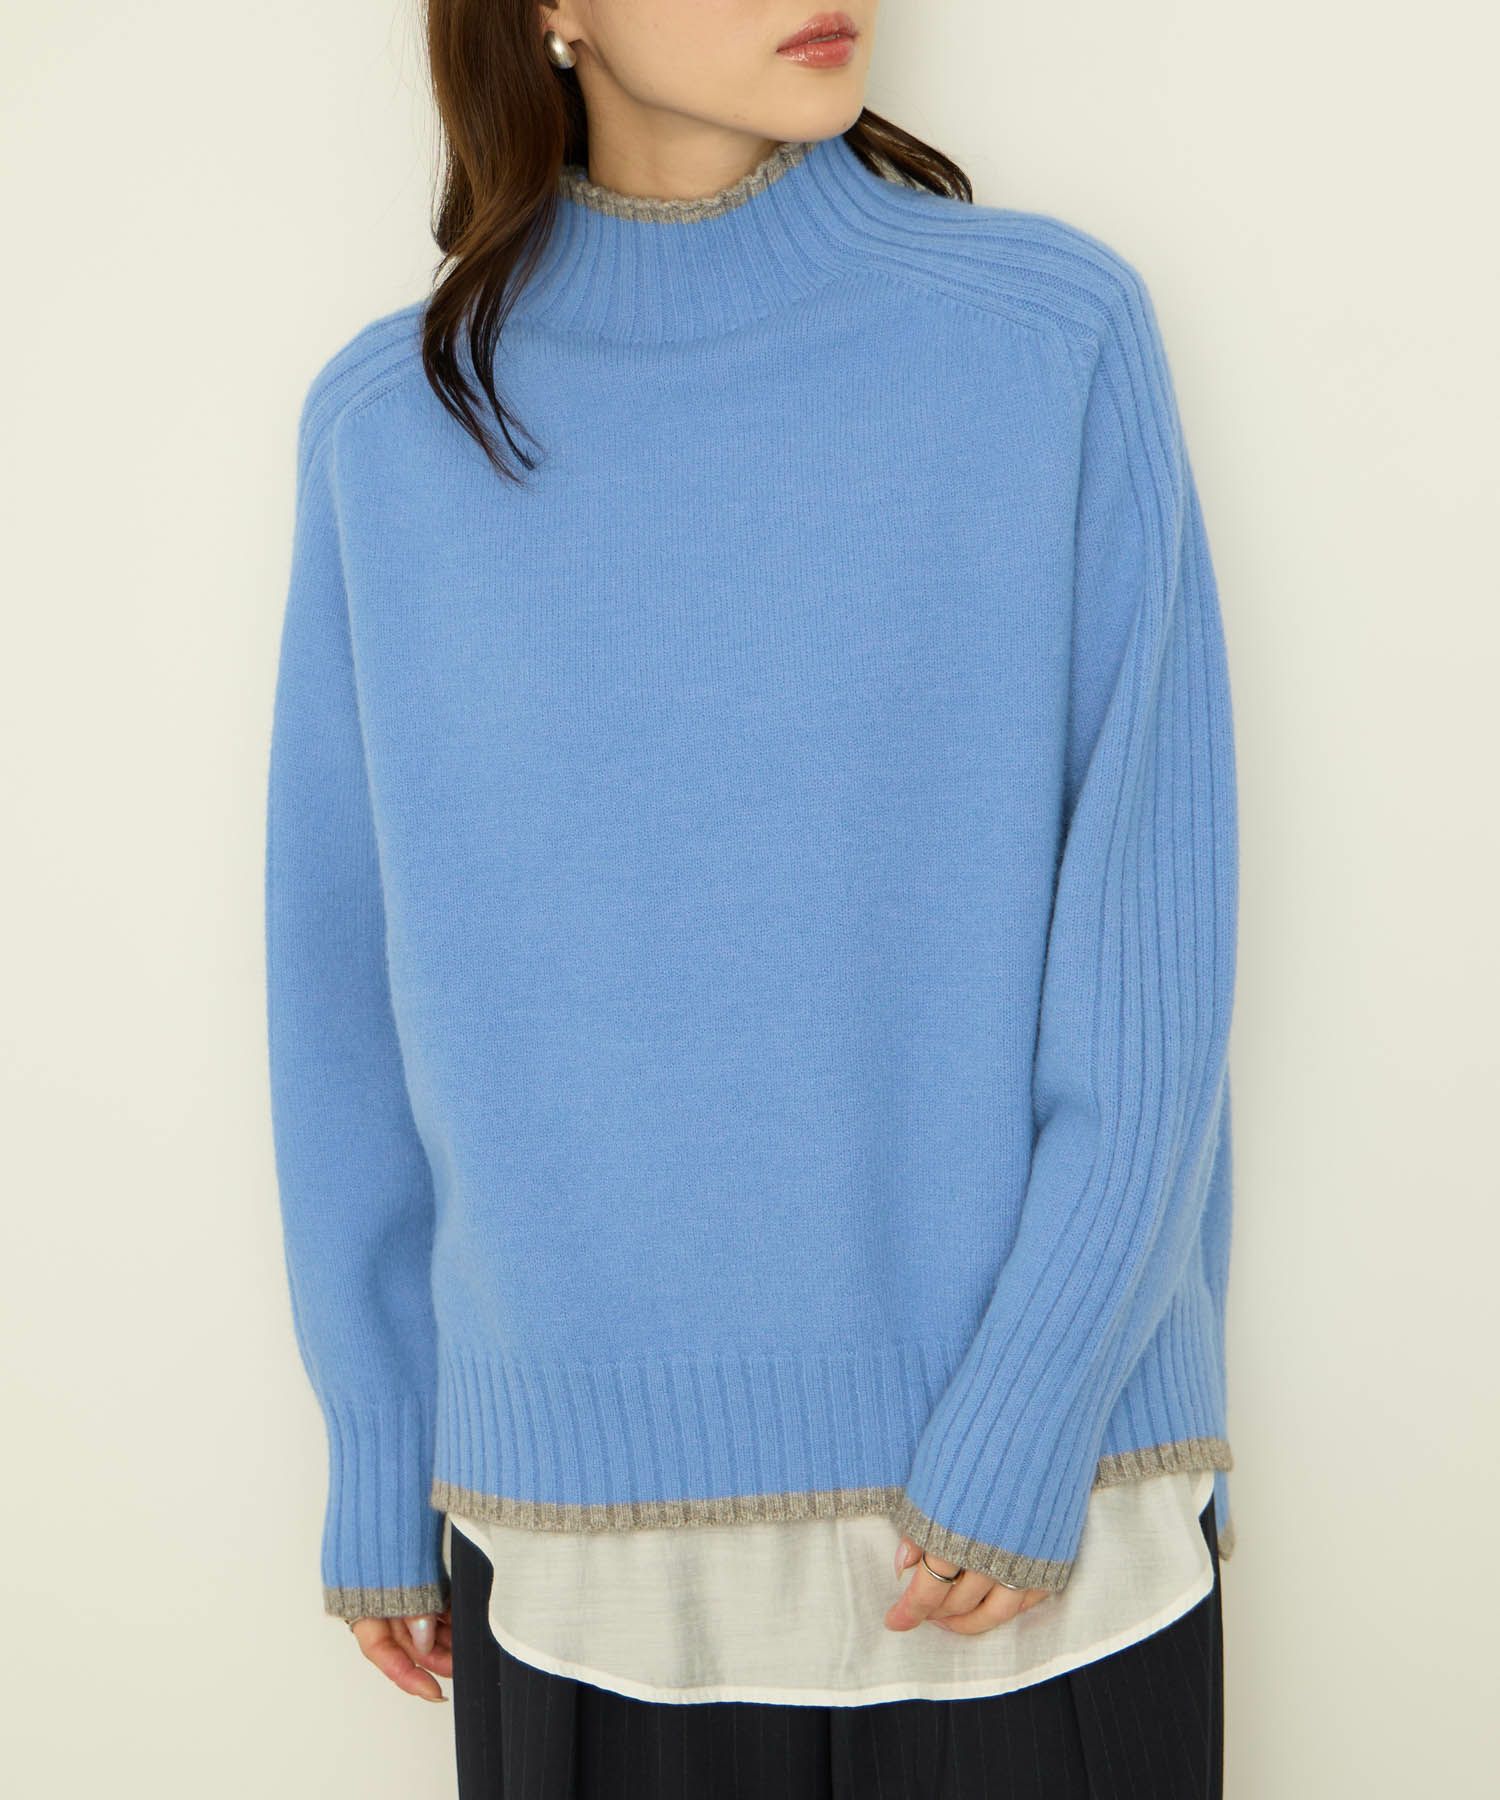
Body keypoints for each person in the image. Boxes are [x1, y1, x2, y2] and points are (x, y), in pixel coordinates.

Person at [262, 3, 1241, 1795]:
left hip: (1030, 1533)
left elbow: (1150, 950)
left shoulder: (1044, 337)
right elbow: (341, 979)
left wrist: (1035, 1409)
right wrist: (381, 1436)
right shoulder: (394, 428)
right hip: (581, 1555)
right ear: (549, 11)